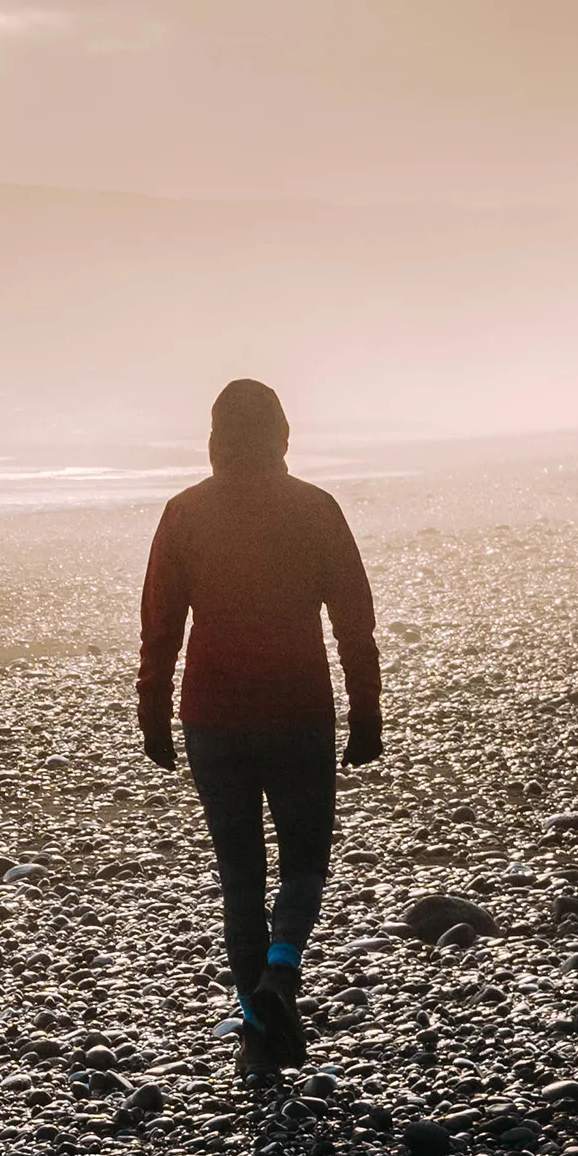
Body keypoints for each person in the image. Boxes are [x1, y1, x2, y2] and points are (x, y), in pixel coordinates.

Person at [137, 378, 380, 1067]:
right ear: (283, 438)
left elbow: (161, 629)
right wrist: (366, 713)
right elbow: (354, 624)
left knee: (239, 878)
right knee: (304, 864)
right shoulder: (315, 508)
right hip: (298, 711)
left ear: (214, 441)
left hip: (212, 717)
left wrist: (154, 715)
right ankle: (282, 972)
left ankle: (257, 1030)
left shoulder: (185, 514)